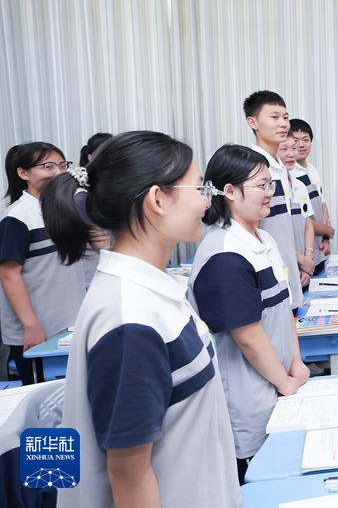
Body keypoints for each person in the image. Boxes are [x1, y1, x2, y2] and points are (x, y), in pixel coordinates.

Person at [41, 131, 241, 507]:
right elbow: (129, 476)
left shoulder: (152, 291)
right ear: (157, 200)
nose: (207, 199)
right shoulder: (129, 318)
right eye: (199, 187)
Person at [189, 144, 310, 484]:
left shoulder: (263, 239)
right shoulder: (224, 253)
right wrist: (284, 381)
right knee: (256, 481)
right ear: (229, 191)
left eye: (271, 184)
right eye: (261, 185)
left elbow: (285, 306)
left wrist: (296, 362)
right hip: (249, 397)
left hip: (280, 382)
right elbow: (248, 337)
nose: (270, 192)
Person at [0, 143, 85, 384]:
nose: (58, 172)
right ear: (23, 173)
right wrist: (31, 326)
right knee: (44, 402)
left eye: (62, 165)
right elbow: (8, 275)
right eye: (48, 166)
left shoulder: (63, 211)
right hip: (38, 332)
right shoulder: (16, 218)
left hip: (69, 326)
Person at [243, 90, 314, 302]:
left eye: (285, 117)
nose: (283, 124)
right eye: (274, 117)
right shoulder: (252, 168)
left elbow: (282, 231)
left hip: (287, 272)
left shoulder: (280, 169)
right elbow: (251, 231)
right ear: (253, 122)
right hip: (267, 277)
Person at [290, 119, 334, 276]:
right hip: (302, 254)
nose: (301, 145)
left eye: (306, 140)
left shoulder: (312, 169)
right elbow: (303, 219)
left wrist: (326, 238)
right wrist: (328, 230)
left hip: (319, 251)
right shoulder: (290, 174)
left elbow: (322, 204)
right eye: (296, 140)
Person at [276, 135, 317, 289]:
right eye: (284, 149)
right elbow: (272, 234)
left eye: (293, 149)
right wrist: (301, 260)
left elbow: (308, 224)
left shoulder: (300, 185)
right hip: (284, 267)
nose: (291, 154)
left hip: (304, 269)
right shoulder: (271, 187)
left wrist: (308, 258)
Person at [76, 132, 114, 287]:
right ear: (90, 157)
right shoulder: (83, 194)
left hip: (112, 261)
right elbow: (98, 239)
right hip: (97, 267)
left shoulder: (109, 187)